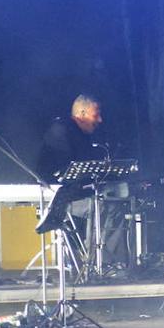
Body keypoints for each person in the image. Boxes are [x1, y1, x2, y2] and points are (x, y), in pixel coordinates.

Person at [37, 94, 130, 274]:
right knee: (103, 206)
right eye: (96, 115)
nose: (100, 120)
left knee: (116, 200)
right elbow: (66, 173)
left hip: (78, 194)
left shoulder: (83, 135)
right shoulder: (61, 131)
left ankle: (108, 262)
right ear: (81, 113)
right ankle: (99, 265)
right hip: (59, 200)